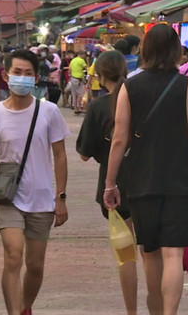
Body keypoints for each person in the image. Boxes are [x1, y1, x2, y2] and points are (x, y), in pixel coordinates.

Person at [104, 24, 188, 315]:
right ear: (176, 51)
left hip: (142, 180)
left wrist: (110, 184)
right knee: (174, 253)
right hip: (181, 180)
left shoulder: (129, 87)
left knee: (150, 253)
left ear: (145, 49)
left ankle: (155, 310)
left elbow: (120, 139)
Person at [0, 49, 70, 315]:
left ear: (36, 78)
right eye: (17, 73)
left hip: (42, 199)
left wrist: (61, 198)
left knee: (35, 265)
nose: (22, 78)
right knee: (13, 255)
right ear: (6, 74)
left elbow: (60, 156)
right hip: (9, 197)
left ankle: (25, 307)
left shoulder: (49, 112)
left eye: (28, 74)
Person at [76, 50, 138, 314]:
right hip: (148, 180)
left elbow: (83, 153)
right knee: (152, 253)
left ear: (100, 77)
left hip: (114, 187)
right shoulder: (140, 101)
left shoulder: (98, 107)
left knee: (126, 258)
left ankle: (131, 311)